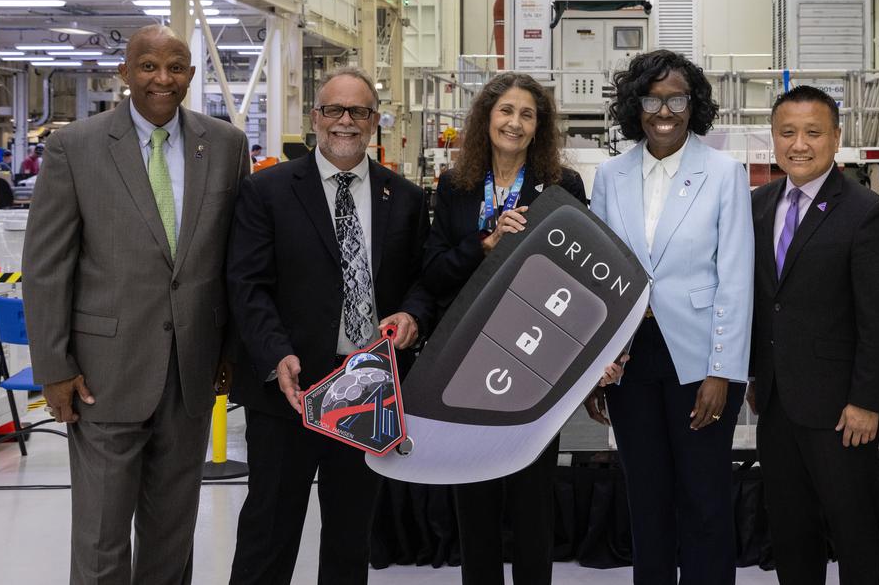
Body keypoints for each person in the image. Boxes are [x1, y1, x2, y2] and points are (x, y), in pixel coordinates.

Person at [21, 24, 249, 583]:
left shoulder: (225, 145)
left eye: (175, 67)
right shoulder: (76, 147)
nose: (162, 79)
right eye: (148, 66)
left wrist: (229, 350)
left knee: (172, 535)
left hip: (191, 372)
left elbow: (234, 259)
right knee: (101, 536)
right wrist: (53, 368)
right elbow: (47, 267)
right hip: (102, 376)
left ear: (190, 75)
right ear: (124, 73)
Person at [226, 66, 436, 585]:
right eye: (334, 110)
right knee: (268, 534)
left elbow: (423, 279)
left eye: (358, 111)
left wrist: (411, 315)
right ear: (315, 117)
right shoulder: (267, 190)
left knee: (349, 536)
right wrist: (276, 354)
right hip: (289, 391)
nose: (346, 121)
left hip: (366, 388)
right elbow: (247, 285)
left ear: (374, 121)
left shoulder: (404, 198)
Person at [585, 49, 754, 585]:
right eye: (652, 99)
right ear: (634, 105)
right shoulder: (610, 175)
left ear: (693, 105)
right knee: (647, 499)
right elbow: (599, 277)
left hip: (700, 359)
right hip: (631, 360)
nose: (664, 112)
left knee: (705, 500)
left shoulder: (725, 174)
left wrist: (722, 371)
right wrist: (597, 365)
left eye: (677, 99)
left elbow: (735, 278)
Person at [420, 72, 587, 585]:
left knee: (534, 504)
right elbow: (434, 271)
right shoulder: (455, 187)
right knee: (474, 501)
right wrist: (485, 244)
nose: (515, 123)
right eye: (506, 111)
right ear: (486, 118)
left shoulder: (562, 187)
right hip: (467, 363)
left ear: (539, 127)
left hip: (536, 362)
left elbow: (578, 278)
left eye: (527, 115)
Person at [745, 84, 879, 585]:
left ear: (836, 138)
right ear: (773, 138)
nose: (799, 144)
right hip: (775, 403)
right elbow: (764, 302)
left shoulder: (867, 212)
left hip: (841, 409)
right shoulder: (757, 206)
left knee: (853, 528)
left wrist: (867, 402)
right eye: (787, 132)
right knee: (791, 530)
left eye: (813, 132)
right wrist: (754, 375)